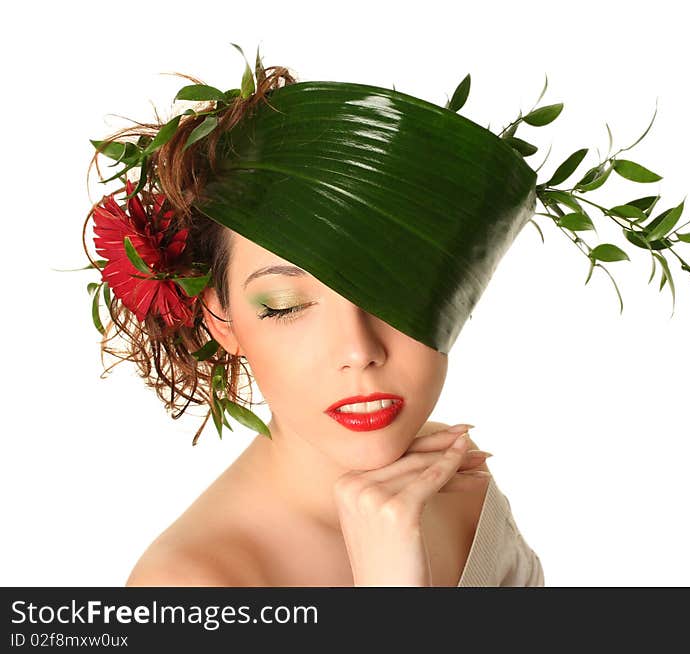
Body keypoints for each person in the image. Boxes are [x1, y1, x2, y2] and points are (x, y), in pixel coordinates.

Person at [84, 52, 544, 586]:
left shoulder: (458, 484)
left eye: (392, 287)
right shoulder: (190, 585)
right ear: (221, 318)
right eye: (286, 305)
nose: (358, 350)